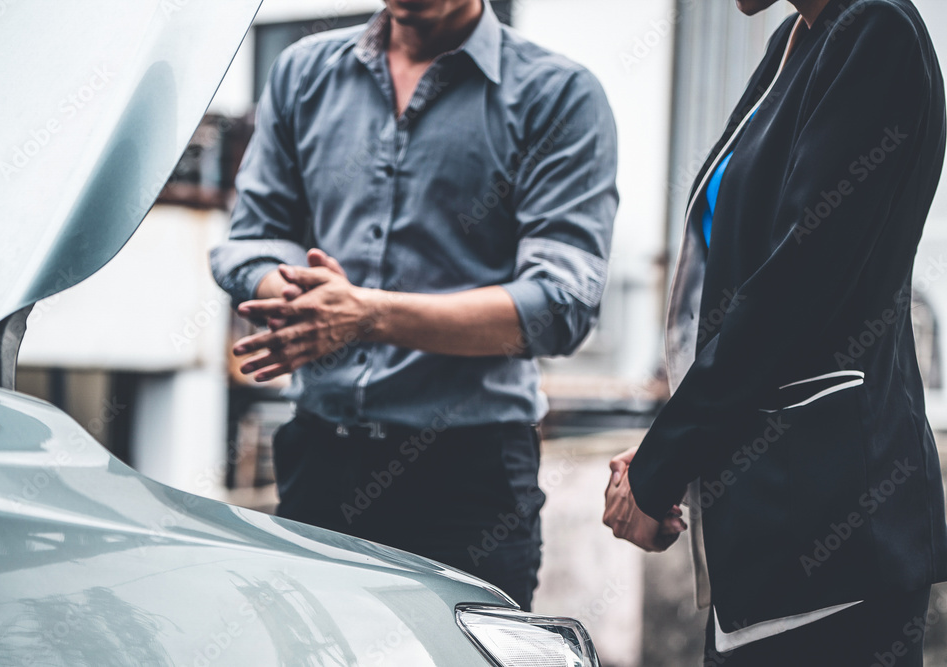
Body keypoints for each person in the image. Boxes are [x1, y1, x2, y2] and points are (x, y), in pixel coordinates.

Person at [210, 0, 617, 610]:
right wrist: (305, 298)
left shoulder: (557, 94)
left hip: (468, 481)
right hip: (319, 461)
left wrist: (367, 315)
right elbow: (248, 241)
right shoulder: (303, 72)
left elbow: (560, 304)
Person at [602, 0, 947, 663]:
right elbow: (739, 292)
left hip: (830, 524)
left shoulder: (879, 32)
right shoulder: (793, 41)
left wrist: (660, 467)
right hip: (759, 518)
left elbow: (790, 297)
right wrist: (667, 451)